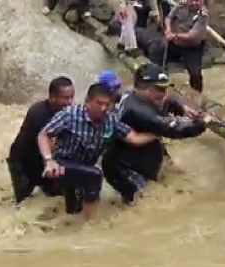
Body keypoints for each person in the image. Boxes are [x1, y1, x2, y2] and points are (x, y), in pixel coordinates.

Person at [37, 82, 157, 222]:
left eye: (107, 104)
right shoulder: (70, 115)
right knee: (95, 175)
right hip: (61, 166)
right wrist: (49, 160)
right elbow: (44, 135)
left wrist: (158, 133)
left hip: (84, 169)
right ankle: (91, 227)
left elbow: (134, 138)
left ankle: (63, 226)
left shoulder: (110, 120)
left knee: (75, 209)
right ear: (87, 101)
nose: (103, 108)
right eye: (98, 103)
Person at [101, 63, 211, 205]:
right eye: (158, 89)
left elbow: (167, 100)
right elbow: (173, 130)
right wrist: (202, 124)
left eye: (165, 88)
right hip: (126, 168)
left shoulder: (137, 96)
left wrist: (181, 108)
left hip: (145, 152)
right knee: (141, 206)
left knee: (173, 177)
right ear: (141, 87)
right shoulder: (138, 110)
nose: (163, 93)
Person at [7, 76, 74, 205]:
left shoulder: (67, 113)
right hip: (22, 162)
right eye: (65, 98)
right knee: (24, 203)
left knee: (56, 197)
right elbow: (49, 142)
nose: (69, 102)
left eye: (71, 97)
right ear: (52, 97)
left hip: (41, 161)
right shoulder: (38, 113)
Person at [153, 0, 208, 92]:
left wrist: (174, 35)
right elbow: (169, 18)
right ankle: (157, 83)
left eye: (198, 1)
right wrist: (168, 30)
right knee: (156, 51)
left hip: (192, 47)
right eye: (192, 0)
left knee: (195, 74)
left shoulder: (203, 15)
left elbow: (192, 35)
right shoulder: (181, 5)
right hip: (175, 43)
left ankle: (197, 95)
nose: (194, 3)